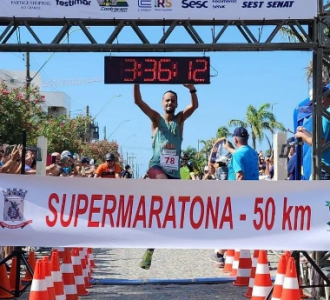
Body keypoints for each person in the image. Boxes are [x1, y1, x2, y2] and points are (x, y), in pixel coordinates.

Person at [134, 83, 199, 270]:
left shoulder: (179, 121)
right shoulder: (155, 119)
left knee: (166, 214)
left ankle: (149, 249)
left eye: (173, 100)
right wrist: (136, 82)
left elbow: (194, 106)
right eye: (167, 100)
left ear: (176, 104)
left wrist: (192, 89)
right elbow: (138, 102)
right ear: (162, 103)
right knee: (162, 184)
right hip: (156, 169)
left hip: (173, 174)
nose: (170, 102)